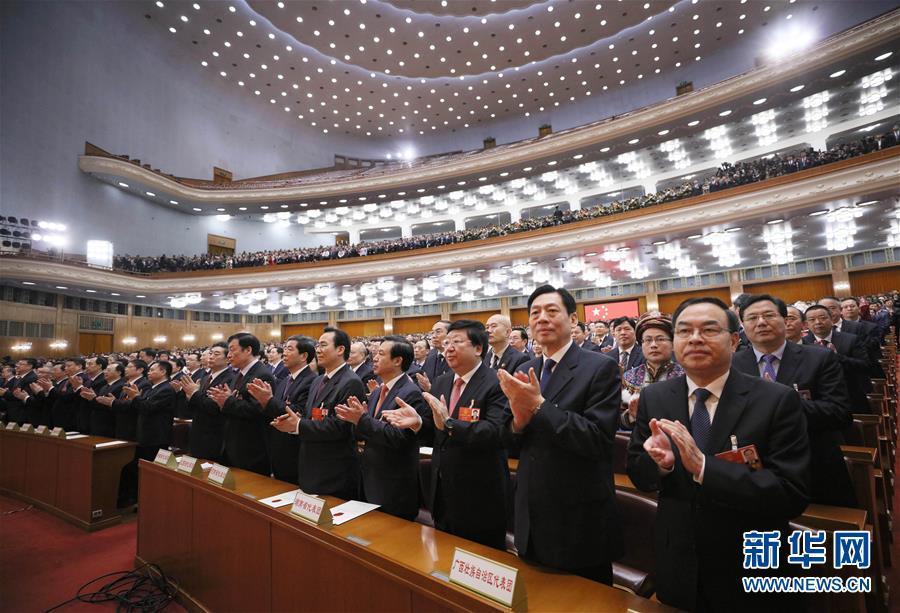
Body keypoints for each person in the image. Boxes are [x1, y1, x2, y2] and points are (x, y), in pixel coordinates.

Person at [627, 297, 810, 612]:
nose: (695, 338)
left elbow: (791, 493)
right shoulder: (655, 397)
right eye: (684, 331)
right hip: (678, 560)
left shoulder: (775, 400)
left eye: (709, 330)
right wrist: (661, 466)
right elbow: (638, 473)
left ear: (734, 340)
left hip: (747, 563)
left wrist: (704, 468)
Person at [496, 285, 623, 583]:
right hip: (531, 509)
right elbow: (506, 437)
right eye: (535, 313)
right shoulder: (526, 368)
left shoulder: (599, 367)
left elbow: (596, 439)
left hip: (579, 516)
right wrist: (518, 422)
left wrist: (540, 406)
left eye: (552, 311)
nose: (542, 318)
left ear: (573, 320)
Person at [385, 320, 510, 550]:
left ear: (478, 348)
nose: (448, 347)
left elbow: (496, 433)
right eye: (446, 342)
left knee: (478, 561)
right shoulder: (441, 382)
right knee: (444, 557)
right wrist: (418, 424)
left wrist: (450, 423)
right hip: (442, 489)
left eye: (457, 342)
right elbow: (436, 431)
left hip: (480, 490)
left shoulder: (497, 382)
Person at [734, 294, 855, 507]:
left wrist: (780, 403)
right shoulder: (732, 366)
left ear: (785, 320)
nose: (761, 322)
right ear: (742, 325)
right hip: (755, 472)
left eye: (769, 315)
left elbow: (839, 413)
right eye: (752, 318)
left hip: (815, 464)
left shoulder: (819, 357)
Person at [336, 336, 425, 520]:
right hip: (369, 478)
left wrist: (362, 420)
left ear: (398, 360)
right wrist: (355, 421)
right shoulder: (377, 391)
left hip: (393, 484)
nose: (374, 358)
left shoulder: (411, 393)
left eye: (381, 354)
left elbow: (398, 438)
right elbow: (367, 430)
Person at [271, 327, 366, 499]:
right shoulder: (317, 381)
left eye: (323, 345)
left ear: (340, 349)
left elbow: (340, 427)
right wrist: (293, 422)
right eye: (317, 345)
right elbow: (311, 417)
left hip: (334, 470)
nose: (318, 350)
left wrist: (299, 425)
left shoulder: (351, 382)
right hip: (310, 464)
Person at [246, 335, 317, 484]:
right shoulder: (285, 380)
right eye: (284, 349)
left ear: (304, 356)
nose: (284, 353)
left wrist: (269, 400)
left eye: (289, 349)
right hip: (278, 448)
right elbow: (273, 410)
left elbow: (298, 412)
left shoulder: (312, 381)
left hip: (295, 450)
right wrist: (263, 402)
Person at [207, 333, 276, 476]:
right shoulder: (240, 374)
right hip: (233, 443)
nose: (229, 355)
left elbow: (258, 410)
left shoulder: (261, 374)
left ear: (248, 350)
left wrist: (227, 401)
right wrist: (222, 402)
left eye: (232, 350)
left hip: (250, 449)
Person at [619, 312, 684, 431]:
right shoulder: (629, 377)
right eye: (647, 340)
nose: (653, 345)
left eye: (660, 339)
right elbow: (618, 420)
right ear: (641, 344)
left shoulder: (685, 375)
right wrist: (632, 417)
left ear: (673, 344)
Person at [803, 304, 872, 413]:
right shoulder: (803, 345)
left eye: (823, 318)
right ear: (806, 324)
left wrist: (836, 357)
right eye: (812, 320)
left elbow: (865, 366)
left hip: (852, 395)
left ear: (831, 320)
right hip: (820, 402)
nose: (818, 322)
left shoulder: (850, 339)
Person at [177, 342, 233, 463]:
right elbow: (196, 404)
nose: (211, 357)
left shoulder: (229, 378)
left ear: (227, 359)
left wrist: (194, 393)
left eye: (216, 354)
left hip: (214, 434)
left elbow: (214, 407)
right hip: (198, 431)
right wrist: (189, 395)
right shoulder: (205, 378)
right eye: (211, 353)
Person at [121, 360, 176, 465]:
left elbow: (148, 407)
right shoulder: (152, 388)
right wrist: (135, 398)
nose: (148, 372)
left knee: (150, 468)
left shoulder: (166, 389)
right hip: (145, 435)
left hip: (156, 437)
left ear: (163, 372)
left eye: (152, 370)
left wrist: (135, 397)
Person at [416, 320, 451, 390]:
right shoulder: (430, 356)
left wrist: (431, 389)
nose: (433, 336)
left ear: (450, 334)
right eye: (432, 333)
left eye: (438, 332)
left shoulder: (457, 356)